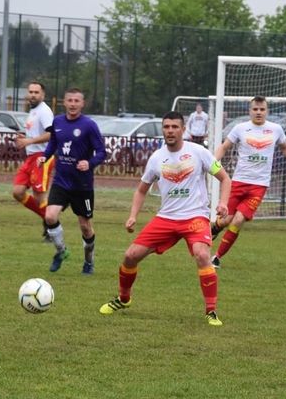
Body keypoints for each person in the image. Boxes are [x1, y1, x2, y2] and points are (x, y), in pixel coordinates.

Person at [99, 111, 232, 327]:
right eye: (167, 127)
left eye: (174, 127)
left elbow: (225, 179)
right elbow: (141, 190)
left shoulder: (199, 152)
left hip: (194, 217)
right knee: (130, 256)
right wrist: (133, 216)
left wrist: (224, 203)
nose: (170, 130)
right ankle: (123, 299)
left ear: (183, 129)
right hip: (166, 218)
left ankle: (211, 311)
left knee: (202, 254)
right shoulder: (156, 158)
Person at [208, 97, 286, 268]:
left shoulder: (275, 129)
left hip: (259, 186)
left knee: (238, 219)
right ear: (250, 111)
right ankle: (215, 227)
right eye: (255, 109)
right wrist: (211, 162)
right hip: (239, 182)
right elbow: (224, 147)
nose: (258, 112)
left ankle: (217, 257)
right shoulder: (240, 128)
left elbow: (284, 146)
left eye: (262, 109)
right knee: (227, 219)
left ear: (267, 111)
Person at [40, 87, 105, 274]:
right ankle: (61, 251)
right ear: (64, 102)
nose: (73, 104)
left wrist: (89, 163)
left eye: (77, 101)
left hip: (82, 185)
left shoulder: (89, 125)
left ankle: (88, 261)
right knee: (50, 216)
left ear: (82, 104)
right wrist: (45, 156)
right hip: (61, 181)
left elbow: (102, 152)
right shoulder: (57, 122)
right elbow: (54, 143)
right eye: (70, 100)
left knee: (85, 227)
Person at [10, 80, 54, 238]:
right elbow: (37, 133)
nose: (33, 95)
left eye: (36, 92)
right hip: (30, 157)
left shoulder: (44, 111)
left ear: (43, 95)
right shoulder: (34, 111)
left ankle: (50, 227)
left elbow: (51, 134)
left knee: (39, 196)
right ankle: (50, 219)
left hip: (42, 157)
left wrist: (29, 141)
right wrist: (25, 137)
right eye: (31, 92)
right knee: (18, 192)